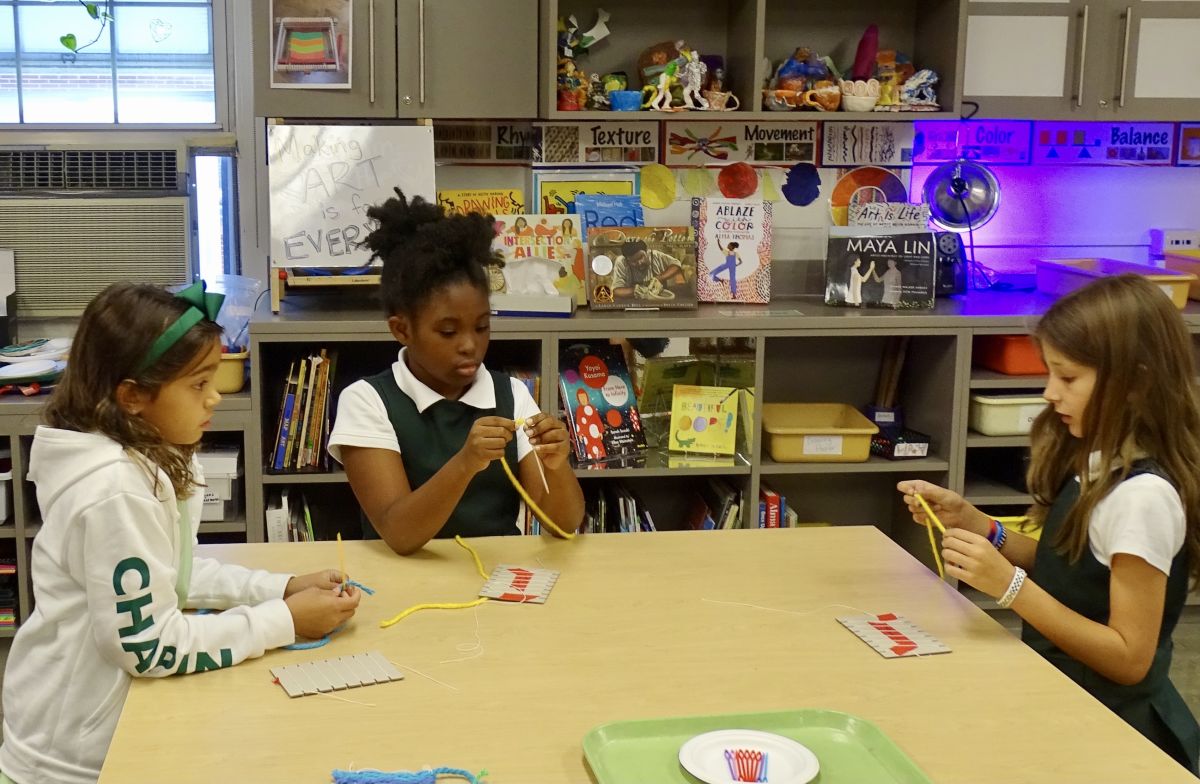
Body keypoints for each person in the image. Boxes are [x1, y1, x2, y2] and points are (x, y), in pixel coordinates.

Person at [0, 282, 360, 784]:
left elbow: (171, 572)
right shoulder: (115, 491)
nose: (214, 396)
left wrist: (279, 588)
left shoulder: (140, 460)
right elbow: (149, 647)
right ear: (132, 397)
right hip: (72, 759)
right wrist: (284, 621)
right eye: (197, 384)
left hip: (101, 733)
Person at [898, 275, 1200, 773]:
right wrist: (980, 526)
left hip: (1122, 737)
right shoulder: (1100, 461)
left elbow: (1129, 658)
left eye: (1068, 378)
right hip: (1070, 704)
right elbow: (1076, 575)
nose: (1049, 393)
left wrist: (1010, 587)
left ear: (1137, 382)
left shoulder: (1143, 499)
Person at [328, 189, 586, 555]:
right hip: (405, 580)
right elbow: (400, 534)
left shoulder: (510, 394)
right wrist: (466, 463)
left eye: (481, 327)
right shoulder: (368, 401)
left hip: (494, 577)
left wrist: (557, 465)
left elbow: (563, 525)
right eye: (448, 332)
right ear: (402, 330)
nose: (469, 345)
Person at [611, 239, 685, 299]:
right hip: (634, 305)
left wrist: (659, 278)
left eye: (641, 257)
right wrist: (638, 291)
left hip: (659, 301)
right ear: (627, 260)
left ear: (647, 252)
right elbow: (616, 291)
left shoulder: (655, 255)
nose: (639, 263)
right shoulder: (621, 261)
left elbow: (676, 265)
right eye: (633, 261)